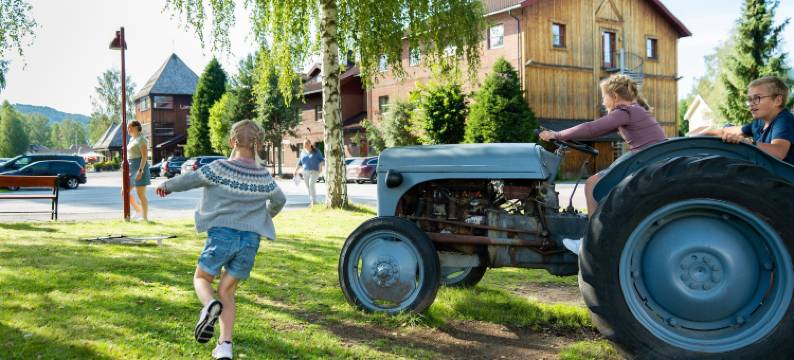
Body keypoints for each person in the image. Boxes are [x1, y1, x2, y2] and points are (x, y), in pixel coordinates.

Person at [156, 120, 287, 360]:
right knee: (227, 291)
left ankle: (208, 306)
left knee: (201, 278)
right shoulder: (263, 175)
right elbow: (280, 200)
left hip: (222, 236)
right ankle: (225, 346)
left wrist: (167, 185)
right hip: (250, 242)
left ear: (232, 142)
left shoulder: (219, 168)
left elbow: (191, 179)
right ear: (257, 144)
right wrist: (263, 218)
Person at [538, 74, 667, 254]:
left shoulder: (625, 112)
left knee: (592, 184)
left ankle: (591, 242)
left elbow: (592, 128)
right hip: (647, 160)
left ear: (614, 96)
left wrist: (556, 135)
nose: (602, 101)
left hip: (645, 163)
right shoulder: (634, 111)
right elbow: (596, 130)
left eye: (604, 96)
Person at [693, 76, 794, 165]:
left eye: (757, 98)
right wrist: (702, 133)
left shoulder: (784, 120)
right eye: (749, 99)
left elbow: (778, 152)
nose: (751, 103)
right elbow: (726, 131)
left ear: (778, 100)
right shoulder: (759, 123)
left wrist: (747, 143)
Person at [125, 121, 151, 221]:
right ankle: (138, 210)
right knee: (124, 193)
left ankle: (145, 217)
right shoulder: (132, 139)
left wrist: (140, 171)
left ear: (136, 128)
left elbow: (144, 156)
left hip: (140, 168)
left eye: (130, 127)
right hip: (131, 169)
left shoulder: (142, 139)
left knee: (141, 195)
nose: (128, 129)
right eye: (128, 127)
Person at [294, 139, 325, 205]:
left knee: (311, 185)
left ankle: (314, 202)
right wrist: (296, 170)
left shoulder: (316, 151)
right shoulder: (302, 152)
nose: (306, 145)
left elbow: (322, 160)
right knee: (308, 187)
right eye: (305, 144)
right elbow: (300, 163)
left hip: (315, 171)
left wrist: (320, 167)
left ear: (310, 144)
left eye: (307, 144)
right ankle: (312, 201)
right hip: (305, 172)